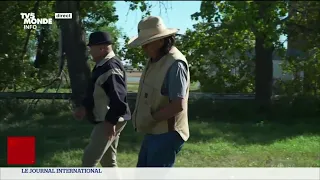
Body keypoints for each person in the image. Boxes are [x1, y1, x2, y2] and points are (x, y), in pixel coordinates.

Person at [127, 16, 190, 167]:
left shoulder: (175, 64)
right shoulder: (154, 60)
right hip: (154, 131)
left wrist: (150, 118)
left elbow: (177, 105)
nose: (143, 48)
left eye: (147, 43)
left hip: (168, 134)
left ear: (161, 41)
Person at [73, 31, 131, 167]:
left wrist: (111, 122)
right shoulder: (102, 66)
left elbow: (119, 99)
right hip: (109, 119)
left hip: (109, 120)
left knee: (89, 160)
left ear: (101, 48)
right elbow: (95, 91)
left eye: (91, 48)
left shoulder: (111, 67)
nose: (90, 52)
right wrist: (84, 108)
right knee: (108, 162)